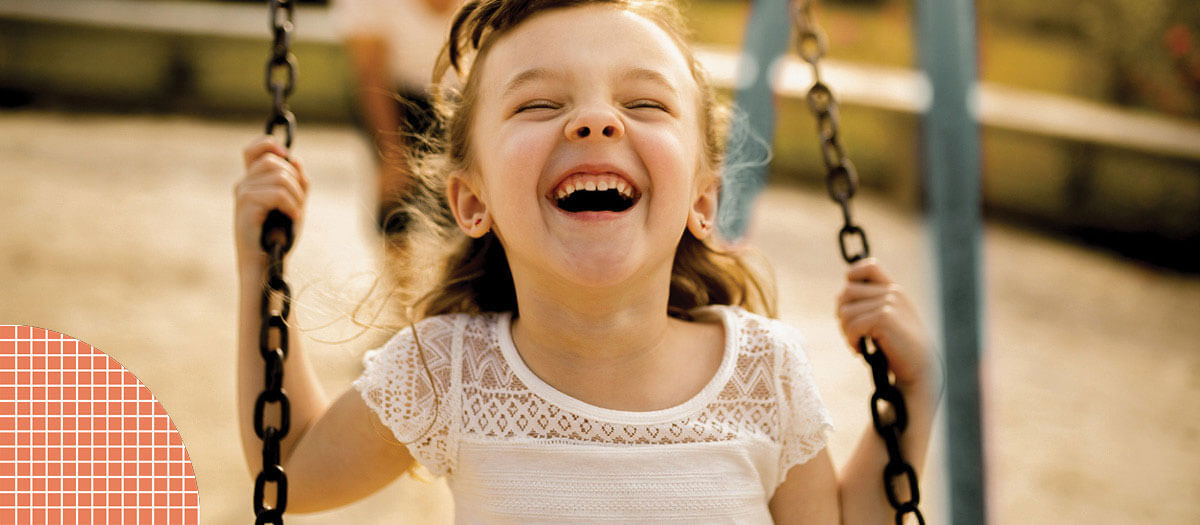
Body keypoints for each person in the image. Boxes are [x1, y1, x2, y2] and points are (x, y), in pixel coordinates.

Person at [234, 0, 941, 521]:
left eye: (643, 101)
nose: (596, 121)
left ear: (704, 199)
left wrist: (911, 393)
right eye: (540, 103)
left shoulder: (761, 371)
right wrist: (260, 270)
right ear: (471, 202)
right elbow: (290, 466)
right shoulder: (451, 369)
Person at [329, 0, 459, 232]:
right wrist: (391, 152)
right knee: (395, 200)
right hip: (394, 95)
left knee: (459, 200)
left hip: (463, 95)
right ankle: (397, 263)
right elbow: (370, 72)